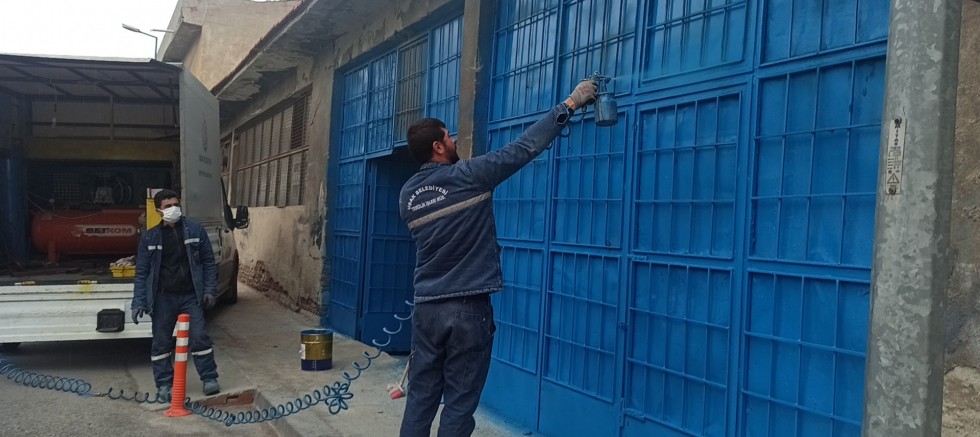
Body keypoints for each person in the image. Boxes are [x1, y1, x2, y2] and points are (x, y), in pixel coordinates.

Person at [398, 79, 597, 437]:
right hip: (466, 308)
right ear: (438, 146)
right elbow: (524, 148)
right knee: (459, 403)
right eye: (449, 136)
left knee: (421, 397)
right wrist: (570, 103)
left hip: (426, 309)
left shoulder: (406, 196)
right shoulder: (469, 176)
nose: (454, 141)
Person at [131, 189, 221, 400]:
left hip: (191, 296)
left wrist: (210, 290)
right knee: (161, 343)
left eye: (176, 204)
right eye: (168, 206)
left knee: (199, 337)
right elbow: (142, 272)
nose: (173, 209)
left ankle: (209, 378)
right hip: (163, 298)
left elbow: (208, 262)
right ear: (158, 211)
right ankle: (164, 385)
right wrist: (139, 301)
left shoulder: (195, 230)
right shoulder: (150, 237)